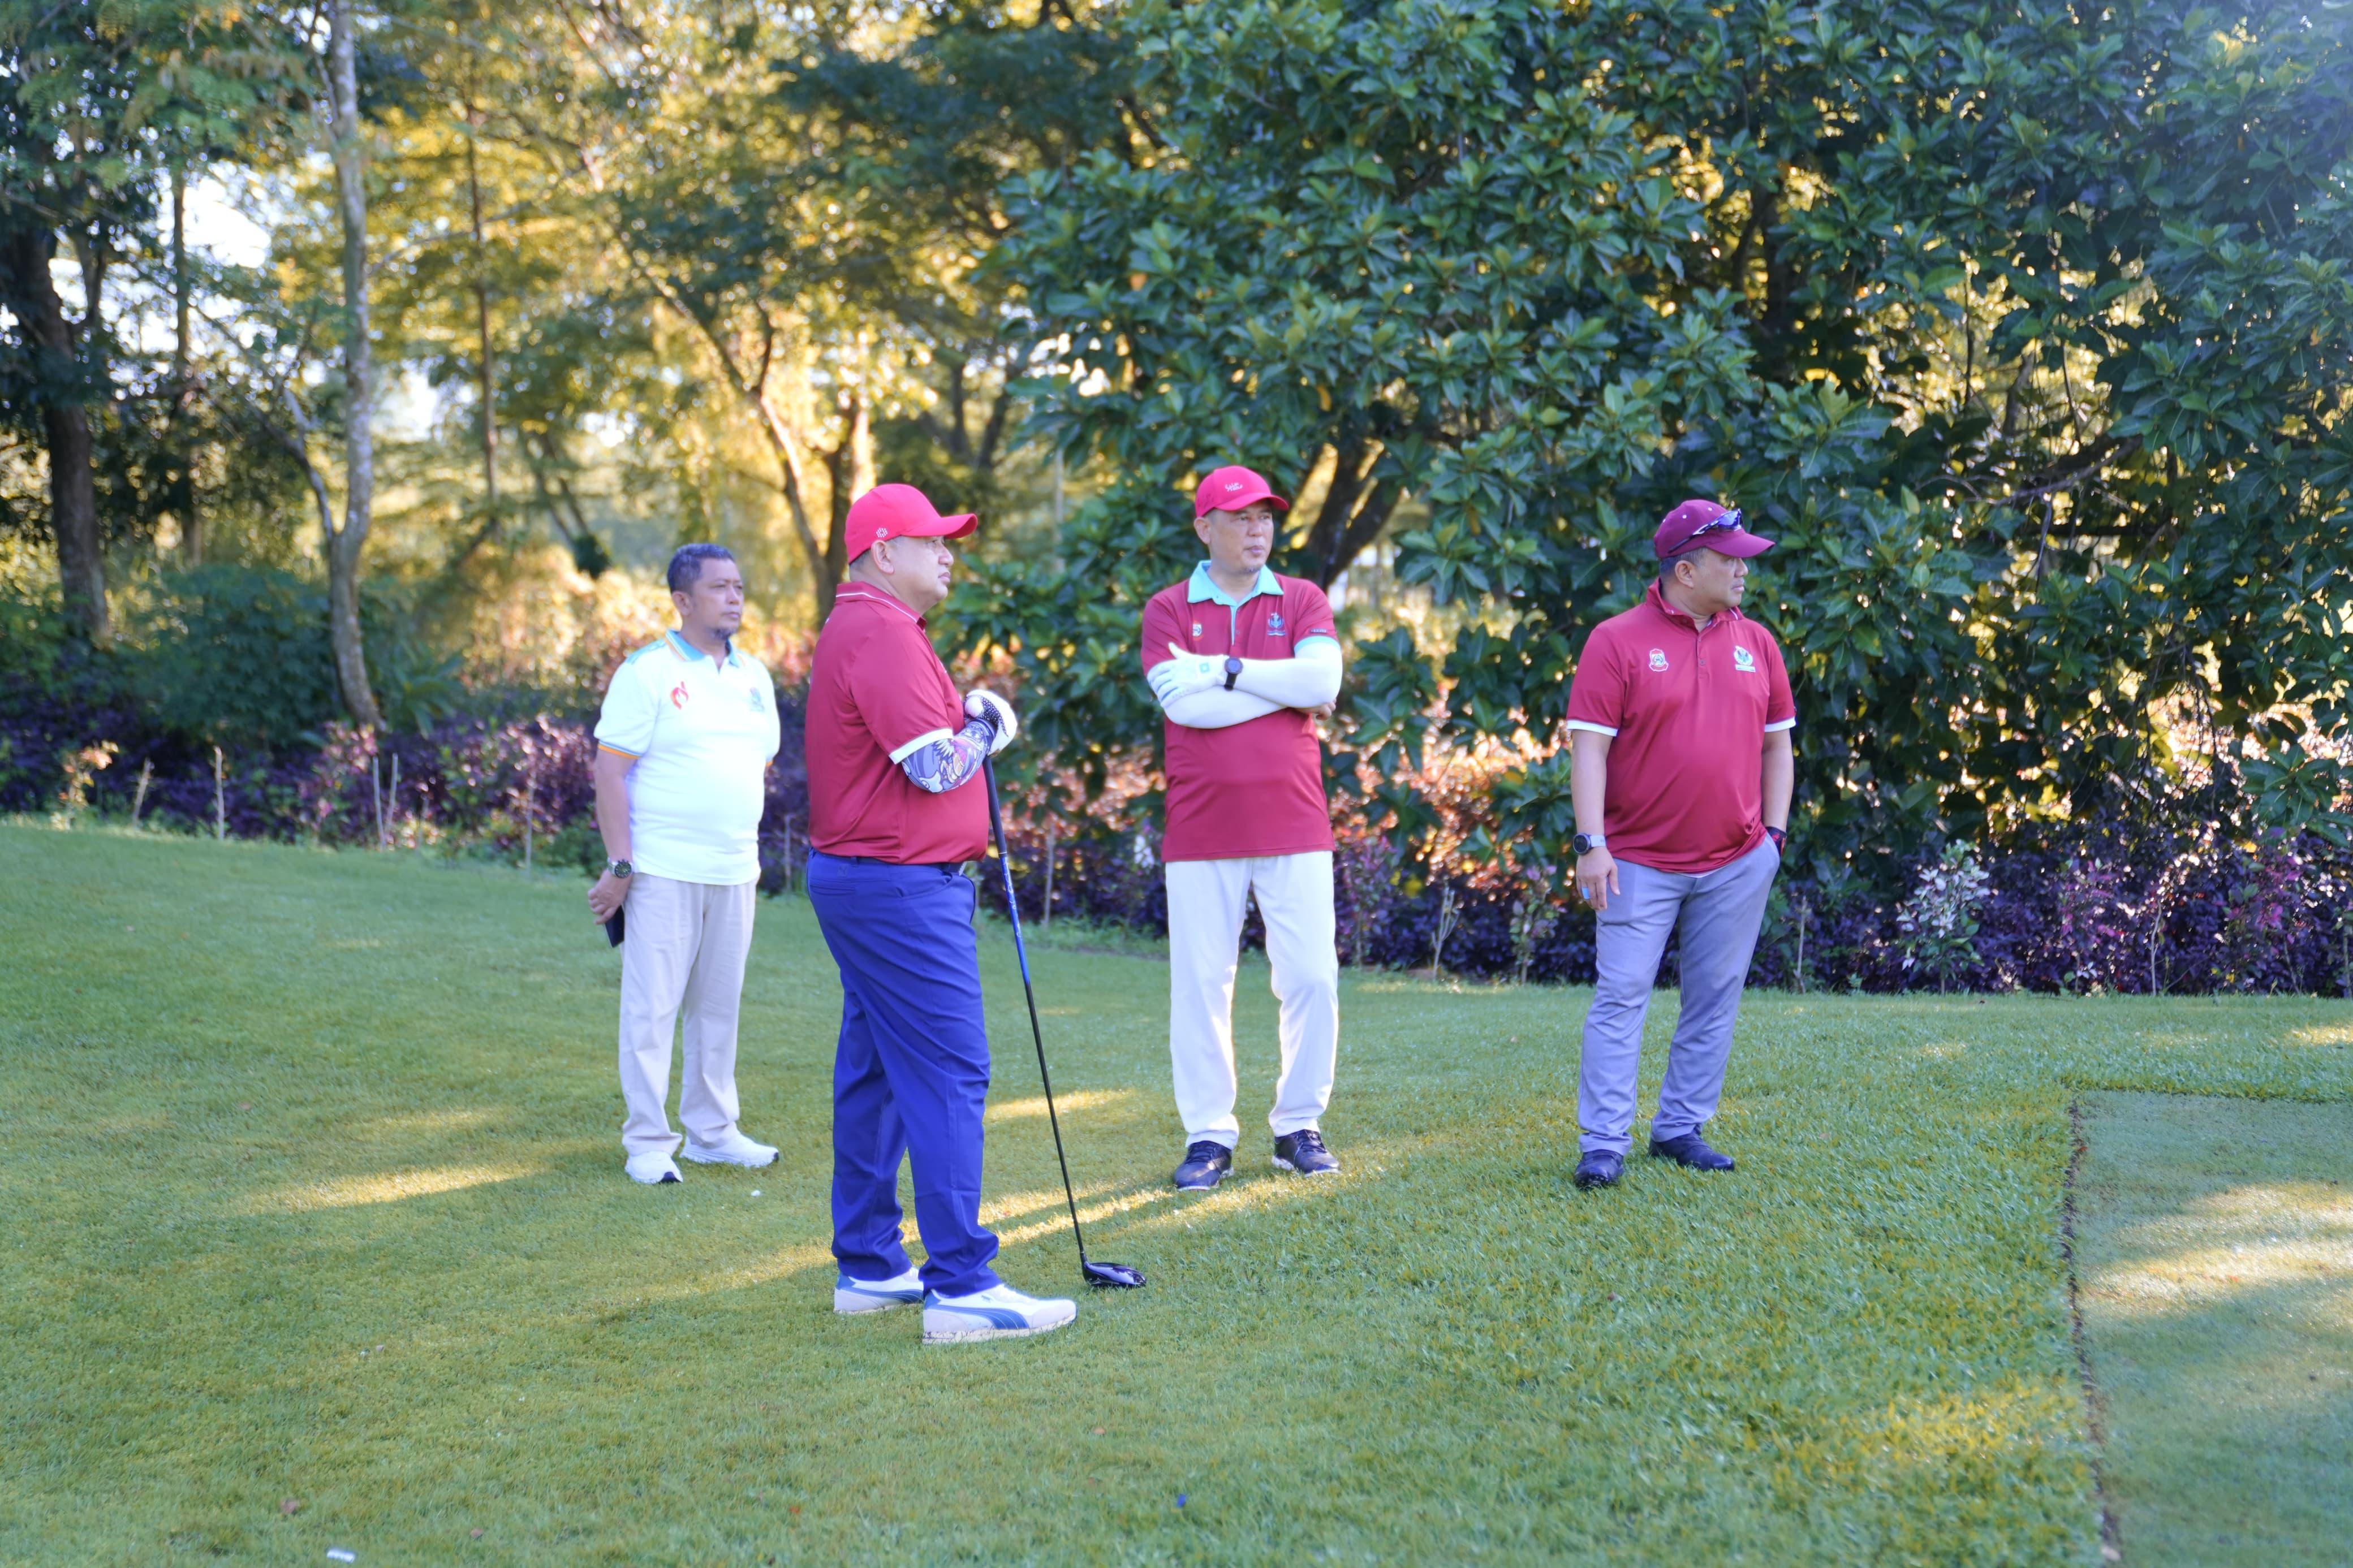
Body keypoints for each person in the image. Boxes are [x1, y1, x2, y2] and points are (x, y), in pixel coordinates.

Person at [803, 481, 1077, 1344]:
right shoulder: (880, 630)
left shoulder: (871, 625)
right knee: (951, 1071)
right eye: (934, 541)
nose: (949, 554)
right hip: (898, 887)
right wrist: (989, 727)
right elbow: (932, 769)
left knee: (878, 1071)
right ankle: (961, 1286)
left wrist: (966, 718)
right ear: (885, 551)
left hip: (871, 879)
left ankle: (873, 1265)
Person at [1563, 499, 1795, 1190]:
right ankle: (1603, 1143)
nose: (1742, 571)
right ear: (1684, 569)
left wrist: (1773, 839)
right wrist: (1590, 843)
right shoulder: (1616, 640)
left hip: (1736, 860)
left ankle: (1678, 1128)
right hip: (1634, 860)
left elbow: (1777, 745)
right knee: (1621, 995)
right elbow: (1588, 752)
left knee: (1714, 996)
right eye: (1729, 560)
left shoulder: (1755, 642)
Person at [1141, 465, 1346, 1192]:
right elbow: (1183, 709)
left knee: (1313, 980)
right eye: (1239, 518)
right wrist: (1274, 683)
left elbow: (1321, 686)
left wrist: (1223, 668)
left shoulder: (1301, 598)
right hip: (1200, 830)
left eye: (1265, 518)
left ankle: (1298, 1125)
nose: (1257, 530)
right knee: (1200, 986)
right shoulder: (1167, 609)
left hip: (1296, 823)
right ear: (1204, 529)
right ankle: (1208, 1136)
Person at [589, 543, 783, 1186]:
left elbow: (756, 765)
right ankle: (648, 1142)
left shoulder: (754, 676)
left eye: (739, 585)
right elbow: (609, 771)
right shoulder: (644, 672)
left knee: (717, 1008)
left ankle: (712, 1133)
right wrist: (621, 865)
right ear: (682, 600)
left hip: (734, 869)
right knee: (653, 1009)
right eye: (720, 587)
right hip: (663, 869)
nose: (734, 596)